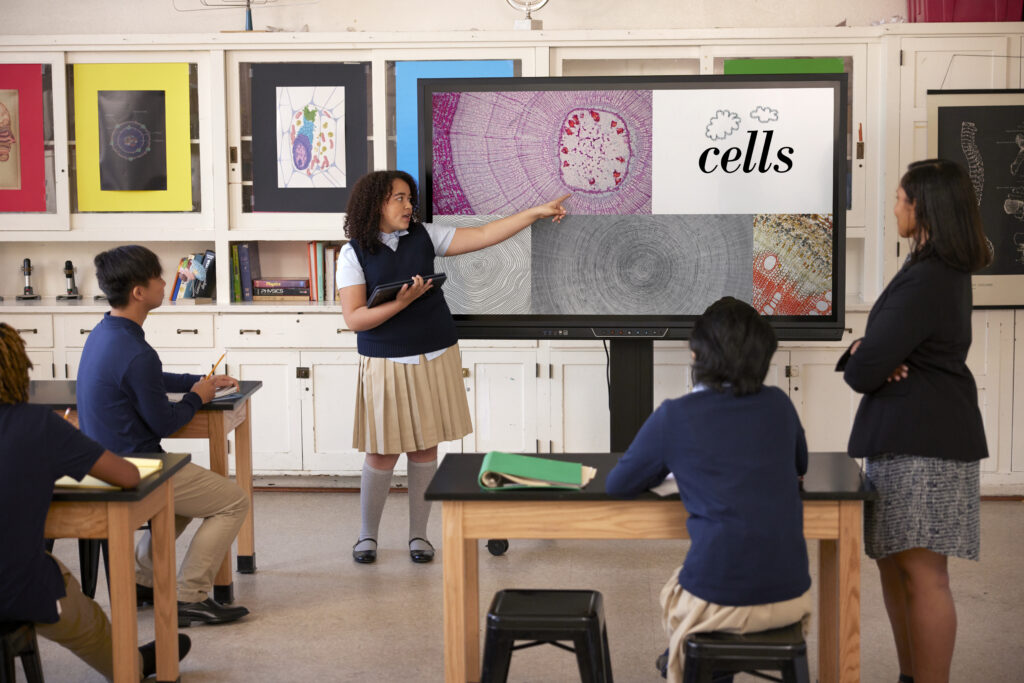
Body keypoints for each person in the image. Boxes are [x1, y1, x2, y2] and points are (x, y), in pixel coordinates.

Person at [338, 170, 569, 564]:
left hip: (434, 354)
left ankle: (418, 537)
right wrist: (402, 303)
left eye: (409, 198)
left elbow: (484, 236)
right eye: (399, 198)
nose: (409, 205)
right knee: (381, 454)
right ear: (376, 203)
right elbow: (355, 318)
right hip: (384, 362)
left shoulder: (426, 234)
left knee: (425, 449)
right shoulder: (353, 252)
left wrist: (534, 213)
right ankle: (367, 537)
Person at [605, 297, 812, 683]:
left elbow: (618, 485)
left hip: (721, 594)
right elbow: (800, 465)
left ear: (698, 354)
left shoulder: (676, 415)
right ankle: (684, 657)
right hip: (791, 596)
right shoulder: (780, 406)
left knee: (684, 589)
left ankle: (690, 662)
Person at [838, 159, 990, 683]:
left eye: (899, 198)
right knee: (896, 565)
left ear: (919, 206)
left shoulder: (929, 277)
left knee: (923, 574)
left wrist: (867, 353)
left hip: (926, 443)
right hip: (909, 437)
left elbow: (865, 370)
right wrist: (867, 351)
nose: (895, 207)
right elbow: (871, 358)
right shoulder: (928, 269)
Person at [0, 323, 192, 680]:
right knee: (84, 615)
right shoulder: (38, 424)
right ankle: (130, 665)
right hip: (17, 589)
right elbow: (128, 476)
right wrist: (72, 443)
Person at [76, 245, 250, 627]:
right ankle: (189, 596)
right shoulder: (136, 351)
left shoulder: (105, 332)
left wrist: (196, 382)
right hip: (135, 465)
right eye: (157, 277)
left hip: (103, 460)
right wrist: (197, 396)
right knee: (233, 501)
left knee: (186, 500)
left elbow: (143, 378)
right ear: (140, 292)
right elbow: (165, 423)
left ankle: (141, 580)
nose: (164, 281)